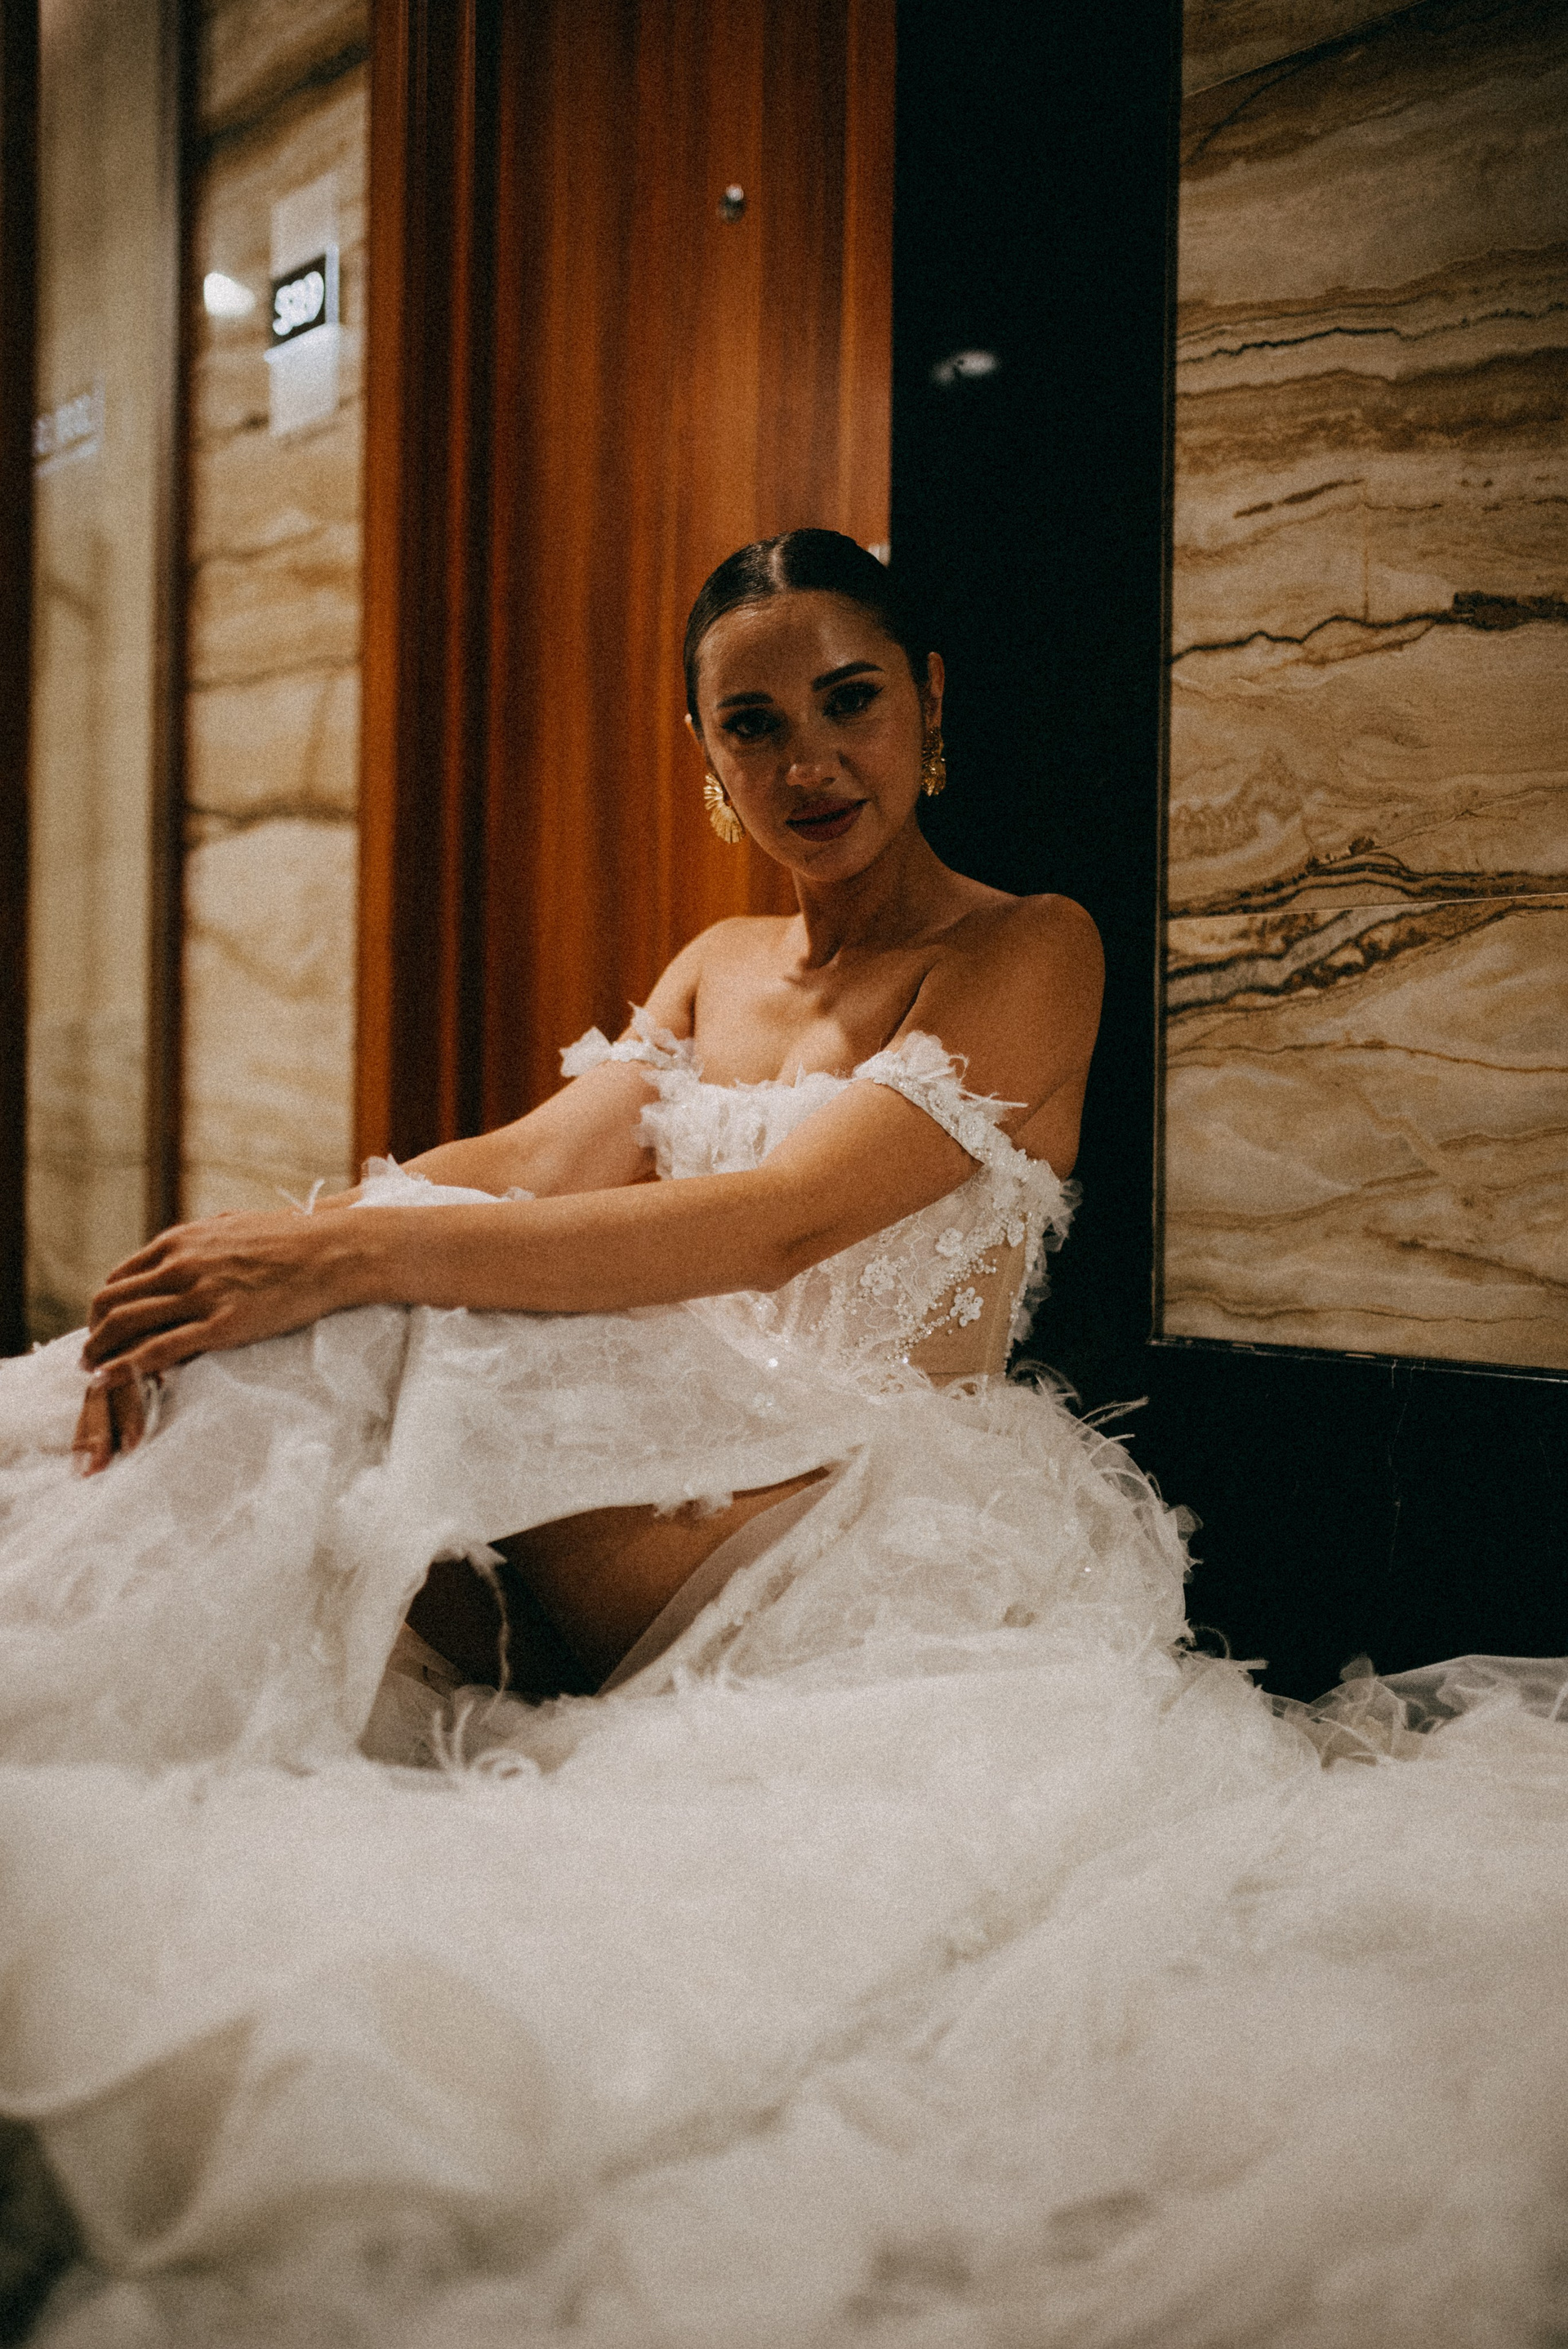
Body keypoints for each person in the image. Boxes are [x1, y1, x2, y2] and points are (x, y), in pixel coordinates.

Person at [0, 532, 1565, 2348]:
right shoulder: (717, 960)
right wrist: (263, 1245)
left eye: (850, 702)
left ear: (928, 708)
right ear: (705, 755)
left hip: (862, 1519)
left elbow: (779, 1227)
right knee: (302, 1334)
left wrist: (352, 1254)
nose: (811, 761)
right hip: (644, 1480)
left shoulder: (1031, 948)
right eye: (755, 724)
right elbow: (537, 1164)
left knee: (408, 1310)